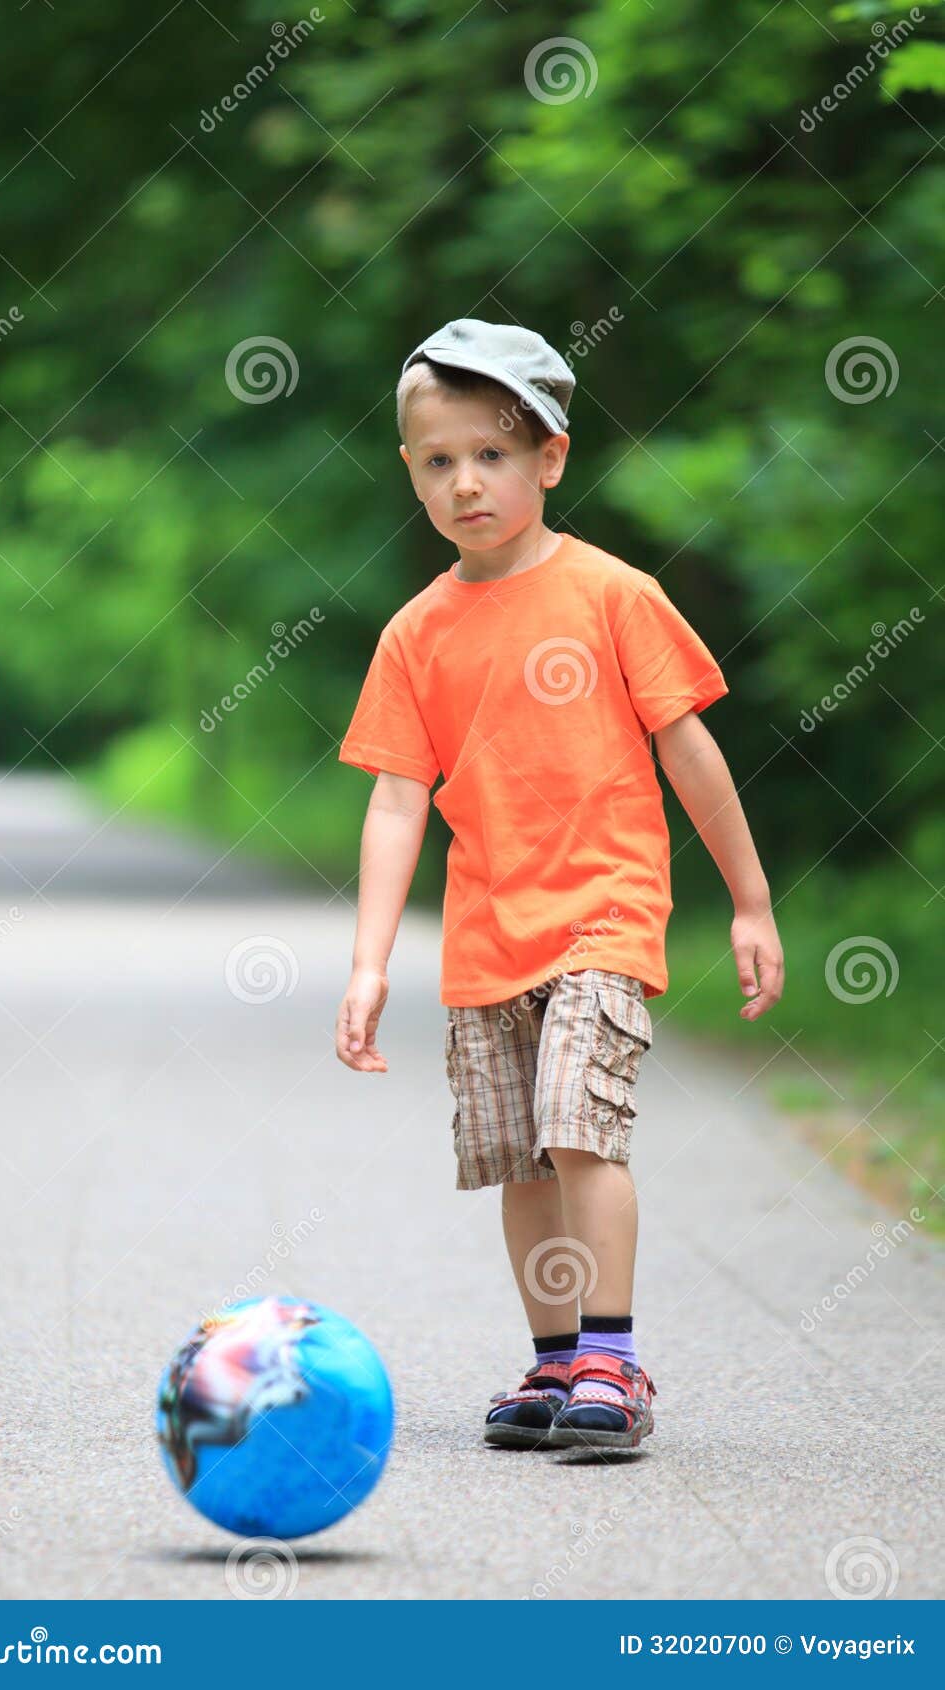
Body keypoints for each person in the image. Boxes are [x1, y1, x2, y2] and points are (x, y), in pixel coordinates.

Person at [334, 318, 784, 1451]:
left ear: (550, 456)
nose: (464, 481)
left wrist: (750, 899)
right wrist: (369, 960)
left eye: (490, 453)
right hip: (487, 937)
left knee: (580, 1129)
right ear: (410, 473)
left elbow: (687, 749)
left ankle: (612, 1364)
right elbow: (395, 800)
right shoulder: (415, 632)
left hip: (603, 914)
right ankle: (550, 1366)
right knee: (519, 1159)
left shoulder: (611, 594)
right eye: (438, 461)